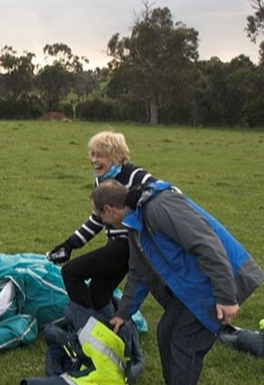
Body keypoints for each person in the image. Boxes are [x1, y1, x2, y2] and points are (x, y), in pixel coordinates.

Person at [90, 179, 264, 385]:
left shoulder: (160, 207)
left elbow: (206, 245)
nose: (101, 221)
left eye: (98, 215)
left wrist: (226, 296)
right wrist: (123, 313)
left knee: (184, 342)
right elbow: (139, 272)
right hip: (195, 285)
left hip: (222, 280)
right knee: (166, 331)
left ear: (109, 209)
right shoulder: (136, 224)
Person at [48, 131, 157, 313]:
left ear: (116, 156)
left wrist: (139, 205)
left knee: (71, 272)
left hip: (129, 245)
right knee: (98, 294)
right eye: (91, 154)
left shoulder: (135, 175)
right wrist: (69, 245)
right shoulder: (101, 180)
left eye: (99, 155)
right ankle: (108, 329)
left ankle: (87, 327)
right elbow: (97, 218)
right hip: (114, 244)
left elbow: (169, 193)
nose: (93, 160)